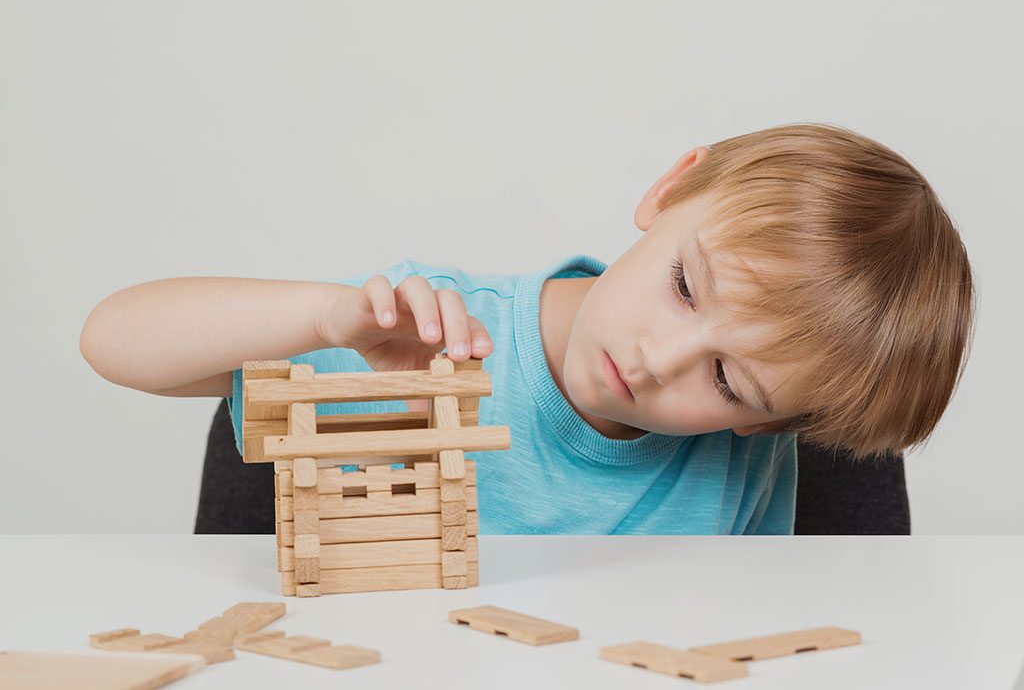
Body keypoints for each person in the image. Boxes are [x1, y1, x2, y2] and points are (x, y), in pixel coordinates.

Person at [79, 122, 976, 535]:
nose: (660, 362)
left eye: (729, 382)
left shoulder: (760, 466)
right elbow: (113, 340)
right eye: (683, 288)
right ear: (669, 192)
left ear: (767, 425)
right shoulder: (417, 331)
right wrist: (322, 314)